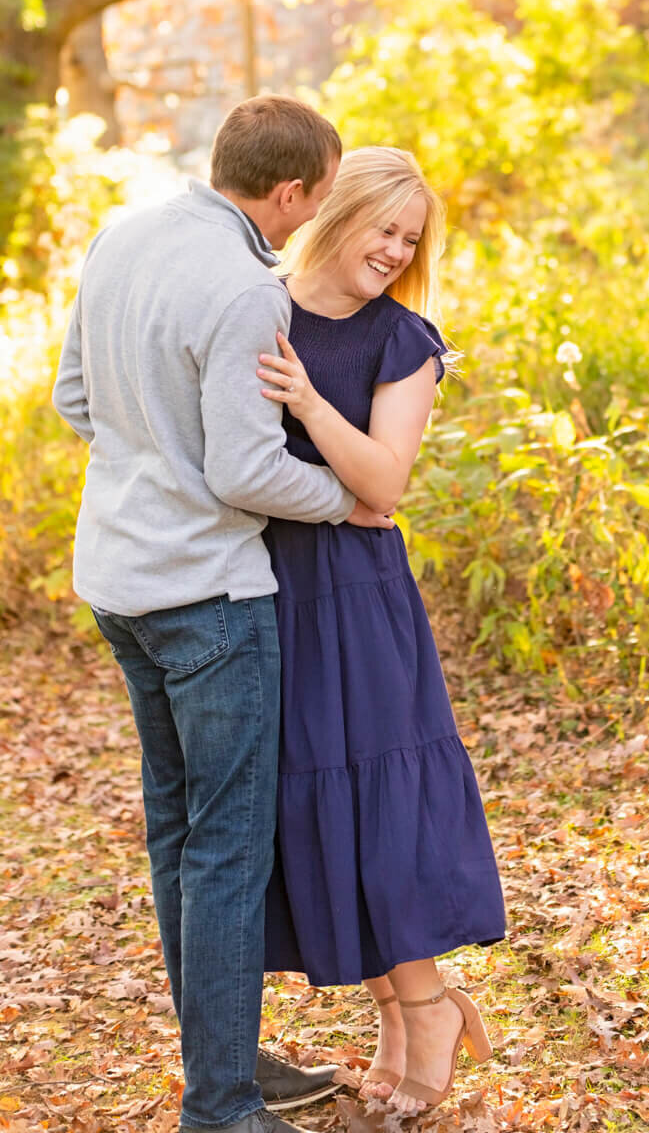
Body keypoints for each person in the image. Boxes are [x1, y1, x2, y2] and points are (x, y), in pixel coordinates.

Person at [52, 97, 392, 1133]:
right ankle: (223, 1104)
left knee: (177, 831)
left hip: (118, 579)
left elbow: (76, 398)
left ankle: (225, 1055)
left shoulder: (125, 231)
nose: (317, 212)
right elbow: (246, 471)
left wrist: (149, 459)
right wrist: (350, 498)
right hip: (206, 596)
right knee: (227, 848)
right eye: (319, 194)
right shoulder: (249, 289)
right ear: (286, 190)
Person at [255, 145, 505, 1116]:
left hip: (356, 597)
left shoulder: (401, 338)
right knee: (322, 804)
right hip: (265, 587)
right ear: (339, 209)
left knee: (377, 800)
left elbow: (385, 481)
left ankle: (430, 1005)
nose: (396, 251)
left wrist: (311, 401)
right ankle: (400, 1022)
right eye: (385, 229)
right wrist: (334, 484)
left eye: (412, 239)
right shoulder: (260, 302)